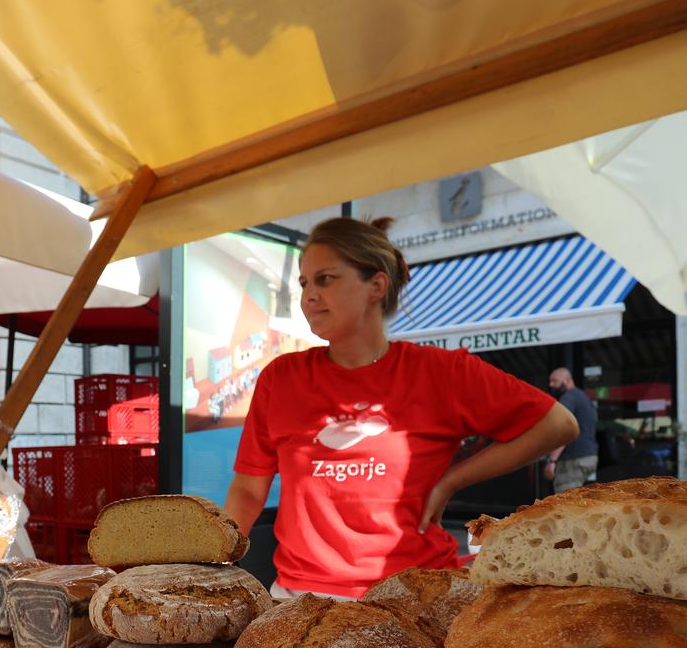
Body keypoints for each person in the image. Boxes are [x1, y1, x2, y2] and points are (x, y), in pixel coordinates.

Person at [224, 217, 578, 598]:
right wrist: (215, 561)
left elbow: (557, 424)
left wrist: (452, 481)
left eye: (325, 279)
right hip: (300, 599)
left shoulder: (440, 372)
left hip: (417, 595)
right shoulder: (282, 378)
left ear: (377, 285)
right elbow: (248, 488)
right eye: (305, 283)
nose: (309, 295)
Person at [544, 367, 598, 493]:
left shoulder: (568, 398)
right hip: (588, 456)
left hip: (573, 459)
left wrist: (552, 460)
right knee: (577, 501)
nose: (551, 385)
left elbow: (564, 431)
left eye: (554, 381)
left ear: (567, 380)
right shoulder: (582, 396)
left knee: (566, 503)